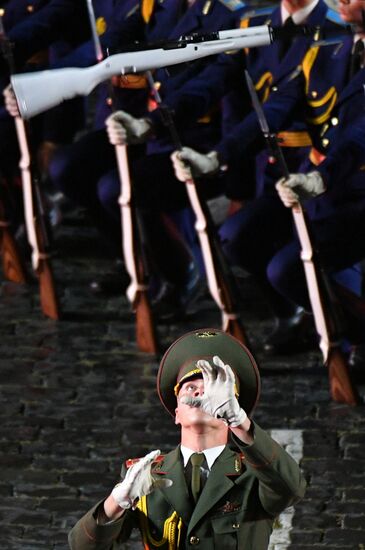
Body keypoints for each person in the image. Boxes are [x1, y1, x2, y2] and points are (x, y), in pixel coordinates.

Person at [170, 0, 364, 353]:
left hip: (351, 191)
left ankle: (352, 337)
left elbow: (359, 136)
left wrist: (322, 177)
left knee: (290, 268)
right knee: (238, 237)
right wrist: (217, 157)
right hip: (317, 183)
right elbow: (277, 107)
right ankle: (312, 319)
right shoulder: (330, 45)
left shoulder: (330, 33)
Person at [68, 328, 306, 549]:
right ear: (176, 414)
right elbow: (82, 546)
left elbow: (291, 488)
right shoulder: (144, 475)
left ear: (230, 407)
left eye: (211, 389)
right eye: (189, 387)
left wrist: (239, 421)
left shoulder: (255, 475)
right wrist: (115, 503)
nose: (199, 392)